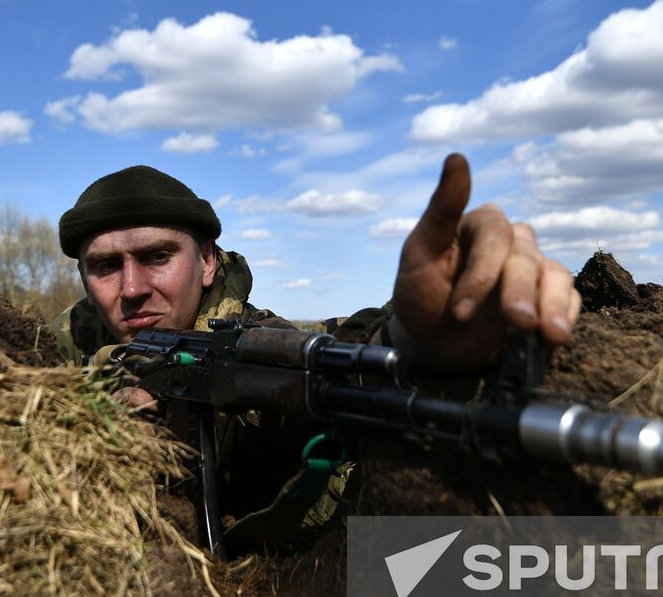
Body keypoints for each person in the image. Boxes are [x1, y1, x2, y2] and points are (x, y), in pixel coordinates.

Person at [51, 153, 582, 543]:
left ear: (208, 262)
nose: (131, 288)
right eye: (105, 266)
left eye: (157, 256)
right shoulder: (57, 351)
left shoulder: (253, 348)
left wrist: (412, 338)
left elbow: (329, 358)